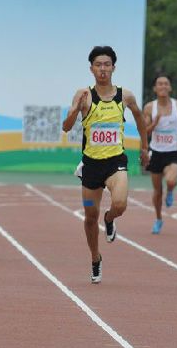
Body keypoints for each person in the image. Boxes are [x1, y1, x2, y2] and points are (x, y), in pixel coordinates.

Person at [62, 46, 148, 284]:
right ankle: (95, 257)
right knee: (90, 215)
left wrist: (144, 147)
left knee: (120, 204)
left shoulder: (125, 96)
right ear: (91, 69)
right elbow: (66, 127)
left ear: (113, 68)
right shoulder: (84, 95)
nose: (103, 69)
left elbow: (140, 118)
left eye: (107, 64)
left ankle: (109, 219)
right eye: (98, 65)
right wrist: (75, 110)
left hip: (115, 163)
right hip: (91, 167)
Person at [143, 75, 177, 234]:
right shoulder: (149, 108)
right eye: (160, 84)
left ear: (170, 88)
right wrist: (154, 124)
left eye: (166, 84)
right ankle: (158, 219)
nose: (163, 86)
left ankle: (170, 190)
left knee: (171, 180)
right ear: (155, 88)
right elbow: (145, 131)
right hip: (156, 152)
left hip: (173, 151)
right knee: (157, 191)